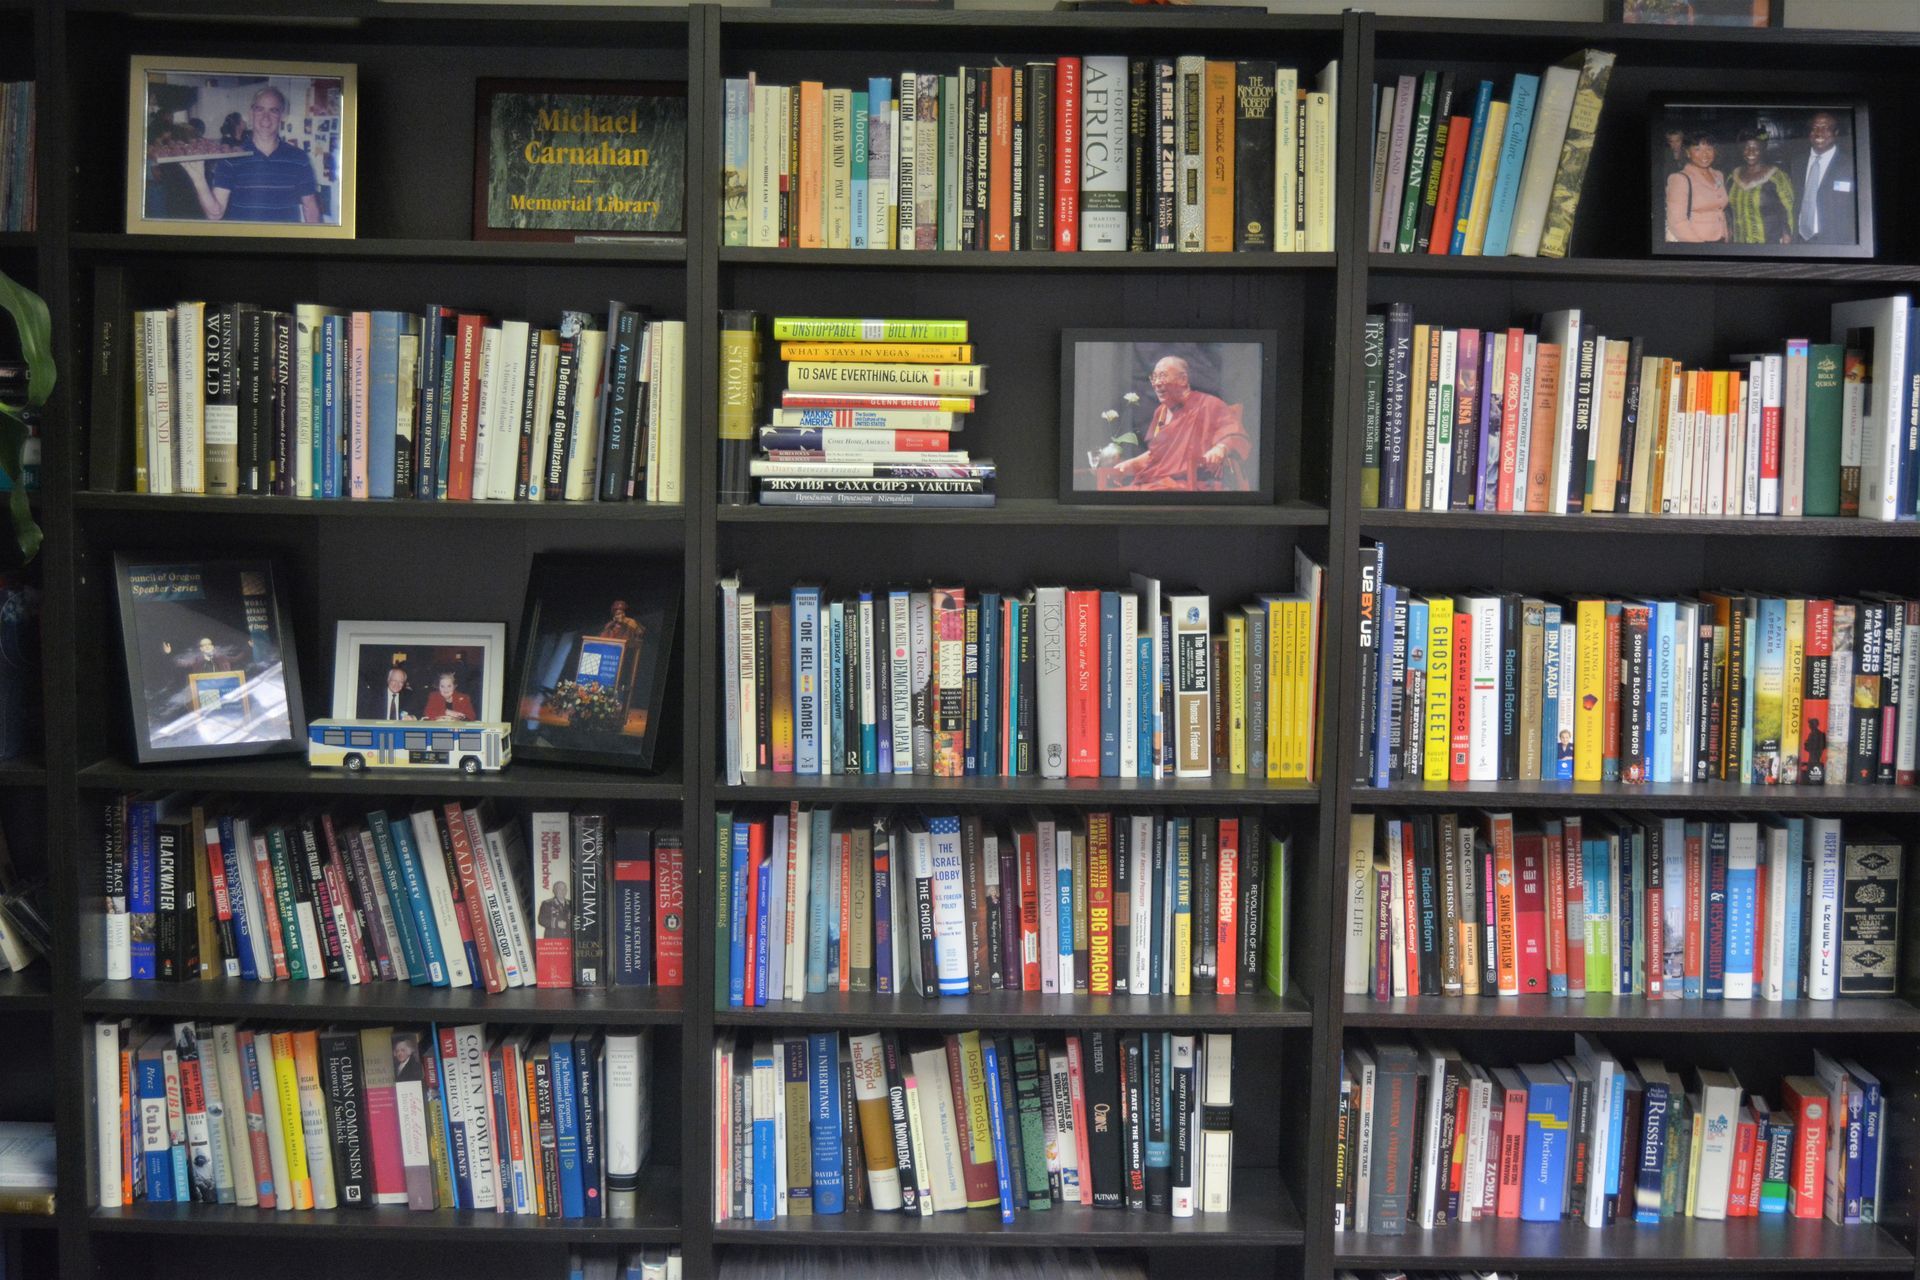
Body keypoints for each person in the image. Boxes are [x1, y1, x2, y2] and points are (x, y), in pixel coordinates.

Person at [1101, 356, 1252, 491]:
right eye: (1154, 377)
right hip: (1159, 482)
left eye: (1163, 376)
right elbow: (1158, 455)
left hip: (1191, 483)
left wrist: (1220, 448)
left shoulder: (1208, 405)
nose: (1157, 383)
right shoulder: (1161, 412)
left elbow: (1235, 434)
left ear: (1183, 379)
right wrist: (1130, 465)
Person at [182, 85, 321, 224]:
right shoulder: (231, 158)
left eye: (273, 111)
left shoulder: (299, 158)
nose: (265, 118)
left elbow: (310, 208)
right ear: (251, 113)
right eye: (260, 109)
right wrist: (199, 179)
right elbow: (215, 214)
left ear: (282, 116)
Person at [1791, 110, 1856, 246]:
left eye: (1826, 128)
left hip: (1836, 243)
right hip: (1799, 241)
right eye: (1815, 128)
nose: (1819, 132)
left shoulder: (1851, 165)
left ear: (1836, 132)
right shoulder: (1797, 163)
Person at [1728, 129, 1795, 246]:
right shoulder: (1732, 177)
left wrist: (1787, 235)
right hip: (1739, 243)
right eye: (1746, 147)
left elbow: (1788, 209)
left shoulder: (1777, 176)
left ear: (1763, 149)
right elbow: (1727, 209)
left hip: (1770, 242)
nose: (1750, 152)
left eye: (1756, 148)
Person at [1663, 132, 1728, 243]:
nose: (1705, 154)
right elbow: (1677, 222)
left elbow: (1720, 210)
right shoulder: (1680, 179)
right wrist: (1700, 248)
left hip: (1721, 240)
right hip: (1696, 243)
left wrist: (1726, 237)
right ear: (1688, 153)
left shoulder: (1718, 175)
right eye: (1697, 149)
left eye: (1709, 149)